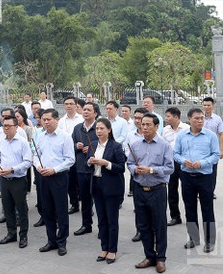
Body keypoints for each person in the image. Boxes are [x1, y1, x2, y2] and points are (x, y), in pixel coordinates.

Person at [128, 113, 174, 273]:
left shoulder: (164, 145)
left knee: (159, 225)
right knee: (143, 225)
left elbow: (170, 168)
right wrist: (135, 169)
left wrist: (151, 170)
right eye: (143, 125)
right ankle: (149, 256)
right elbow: (130, 163)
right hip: (140, 190)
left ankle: (161, 258)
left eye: (148, 125)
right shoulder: (134, 144)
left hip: (157, 190)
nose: (145, 127)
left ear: (156, 126)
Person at [173, 107, 219, 253]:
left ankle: (210, 241)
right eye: (197, 118)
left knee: (207, 209)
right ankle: (193, 238)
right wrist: (183, 161)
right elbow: (175, 153)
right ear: (189, 120)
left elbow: (215, 155)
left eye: (202, 118)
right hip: (187, 176)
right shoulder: (181, 135)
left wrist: (202, 163)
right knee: (189, 208)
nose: (200, 121)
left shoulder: (210, 135)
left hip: (205, 177)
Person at [34, 109, 75, 256]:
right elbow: (35, 154)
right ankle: (51, 240)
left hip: (59, 176)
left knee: (61, 209)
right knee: (47, 209)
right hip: (43, 176)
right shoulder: (40, 136)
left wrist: (55, 169)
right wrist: (37, 166)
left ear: (56, 120)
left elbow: (70, 159)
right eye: (43, 119)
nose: (45, 122)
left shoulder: (65, 137)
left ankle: (62, 241)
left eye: (48, 119)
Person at [88, 117, 127, 264]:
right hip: (97, 186)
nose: (98, 131)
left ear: (109, 130)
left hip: (111, 188)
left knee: (112, 221)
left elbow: (121, 167)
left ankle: (112, 250)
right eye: (97, 129)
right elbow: (87, 164)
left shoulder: (115, 146)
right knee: (101, 220)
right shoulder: (93, 144)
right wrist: (89, 161)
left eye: (102, 128)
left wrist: (106, 163)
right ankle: (104, 248)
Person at [0, 115, 33, 249]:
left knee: (21, 209)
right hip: (4, 179)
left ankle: (23, 235)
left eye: (8, 126)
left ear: (16, 127)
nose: (5, 128)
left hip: (18, 179)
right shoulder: (1, 140)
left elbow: (28, 162)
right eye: (4, 125)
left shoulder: (22, 142)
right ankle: (11, 233)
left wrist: (12, 169)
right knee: (8, 208)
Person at [71, 102, 98, 236]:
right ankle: (86, 224)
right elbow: (70, 146)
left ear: (95, 113)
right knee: (85, 198)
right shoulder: (77, 128)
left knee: (99, 198)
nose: (85, 112)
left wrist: (92, 149)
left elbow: (107, 146)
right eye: (84, 109)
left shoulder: (100, 127)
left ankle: (102, 227)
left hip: (97, 169)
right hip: (81, 167)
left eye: (89, 110)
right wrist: (77, 146)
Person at [162, 107, 190, 227]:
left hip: (184, 163)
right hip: (171, 163)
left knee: (187, 191)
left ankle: (190, 217)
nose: (166, 118)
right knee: (172, 190)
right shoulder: (165, 130)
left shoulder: (186, 129)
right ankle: (175, 216)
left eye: (168, 116)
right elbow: (163, 146)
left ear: (176, 117)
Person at [59, 96, 83, 214]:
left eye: (71, 104)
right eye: (66, 104)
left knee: (82, 181)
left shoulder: (81, 119)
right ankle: (74, 204)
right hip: (67, 155)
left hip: (80, 154)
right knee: (71, 181)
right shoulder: (61, 121)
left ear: (76, 105)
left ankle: (87, 204)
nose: (68, 106)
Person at [202, 97, 223, 198]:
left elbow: (221, 134)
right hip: (201, 149)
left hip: (213, 149)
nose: (206, 107)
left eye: (208, 105)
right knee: (200, 169)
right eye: (205, 105)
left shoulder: (217, 119)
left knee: (212, 171)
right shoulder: (199, 118)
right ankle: (201, 191)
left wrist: (221, 149)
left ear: (213, 106)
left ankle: (210, 191)